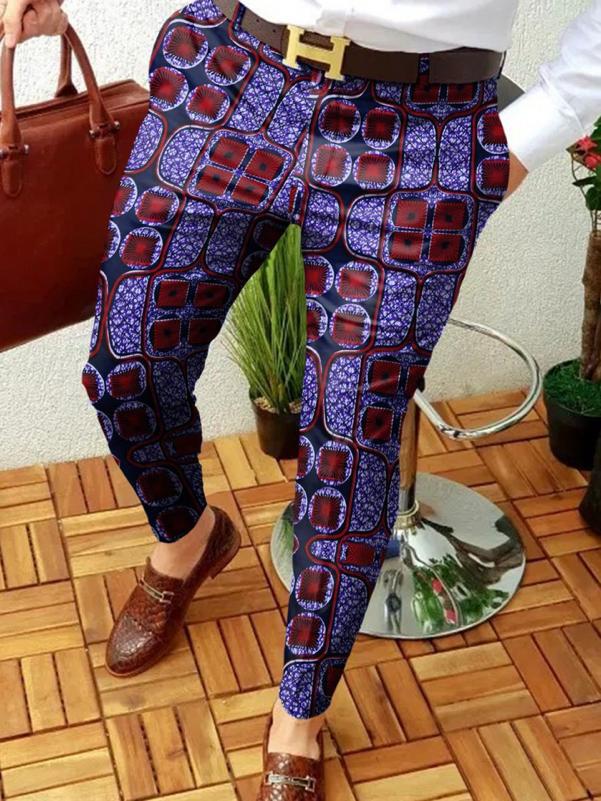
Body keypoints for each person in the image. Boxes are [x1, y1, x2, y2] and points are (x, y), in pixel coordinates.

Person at [2, 1, 600, 799]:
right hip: (235, 71)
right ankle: (188, 538)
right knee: (126, 367)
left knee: (349, 449)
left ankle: (299, 714)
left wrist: (532, 127)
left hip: (422, 128)